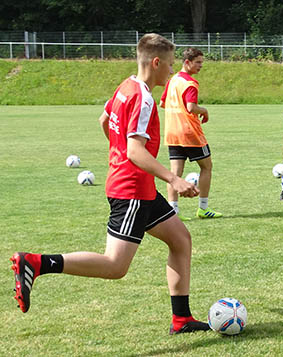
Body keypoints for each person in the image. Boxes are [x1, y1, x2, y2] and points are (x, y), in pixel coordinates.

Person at [10, 34, 210, 335]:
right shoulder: (142, 98)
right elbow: (134, 150)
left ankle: (181, 319)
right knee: (115, 265)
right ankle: (37, 263)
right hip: (132, 192)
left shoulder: (125, 86)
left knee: (181, 240)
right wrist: (173, 178)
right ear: (155, 63)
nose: (171, 71)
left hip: (138, 187)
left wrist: (119, 156)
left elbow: (104, 119)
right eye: (169, 65)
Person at [160, 47, 222, 218]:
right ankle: (203, 208)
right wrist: (204, 111)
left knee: (175, 174)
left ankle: (173, 211)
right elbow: (191, 107)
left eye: (202, 62)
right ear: (187, 63)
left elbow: (163, 103)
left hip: (172, 133)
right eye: (198, 62)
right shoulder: (190, 83)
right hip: (190, 133)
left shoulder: (173, 80)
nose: (201, 66)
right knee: (206, 167)